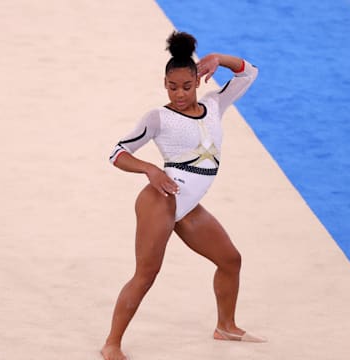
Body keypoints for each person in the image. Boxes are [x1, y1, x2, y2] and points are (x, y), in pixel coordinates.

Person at [101, 31, 264, 360]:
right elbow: (117, 153)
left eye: (186, 87)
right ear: (165, 84)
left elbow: (248, 72)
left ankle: (226, 326)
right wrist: (150, 169)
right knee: (146, 274)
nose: (179, 93)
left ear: (198, 81)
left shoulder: (215, 104)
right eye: (172, 87)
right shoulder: (158, 118)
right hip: (159, 201)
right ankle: (112, 344)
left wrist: (220, 58)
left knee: (230, 260)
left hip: (187, 206)